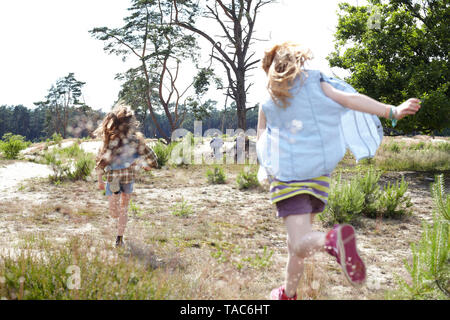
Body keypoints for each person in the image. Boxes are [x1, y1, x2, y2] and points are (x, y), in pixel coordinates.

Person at [256, 42, 421, 300]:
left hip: (289, 178)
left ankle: (333, 241)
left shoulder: (269, 100)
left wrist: (263, 168)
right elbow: (350, 100)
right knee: (297, 244)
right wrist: (393, 111)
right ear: (299, 62)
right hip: (319, 178)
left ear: (270, 70)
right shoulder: (318, 84)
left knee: (301, 242)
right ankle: (288, 294)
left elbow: (262, 138)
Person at [94, 104, 158, 247]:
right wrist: (99, 180)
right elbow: (101, 163)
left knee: (124, 208)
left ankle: (119, 238)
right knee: (114, 213)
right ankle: (115, 197)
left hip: (128, 179)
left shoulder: (135, 141)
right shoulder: (111, 141)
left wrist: (142, 163)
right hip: (114, 179)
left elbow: (153, 159)